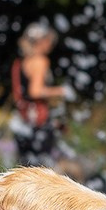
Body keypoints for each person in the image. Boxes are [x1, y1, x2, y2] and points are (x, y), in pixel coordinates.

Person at [10, 22, 72, 168]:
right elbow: (35, 91)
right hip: (38, 123)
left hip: (22, 121)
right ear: (42, 41)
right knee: (41, 170)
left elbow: (20, 94)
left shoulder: (19, 62)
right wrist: (61, 91)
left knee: (24, 169)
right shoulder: (40, 61)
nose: (52, 44)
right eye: (50, 40)